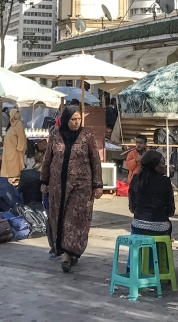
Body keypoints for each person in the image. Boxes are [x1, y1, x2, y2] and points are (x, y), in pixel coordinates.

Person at [40, 105, 103, 273]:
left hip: (81, 186)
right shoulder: (55, 135)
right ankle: (67, 251)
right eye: (73, 119)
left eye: (78, 119)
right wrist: (44, 180)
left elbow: (95, 160)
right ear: (66, 119)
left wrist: (98, 185)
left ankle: (69, 254)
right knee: (60, 217)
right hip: (57, 186)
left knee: (75, 219)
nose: (76, 123)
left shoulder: (87, 136)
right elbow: (48, 158)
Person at [128, 150, 176, 236]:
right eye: (163, 163)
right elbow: (170, 211)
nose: (165, 166)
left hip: (138, 226)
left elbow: (132, 208)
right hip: (160, 227)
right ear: (155, 166)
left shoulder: (135, 179)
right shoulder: (165, 181)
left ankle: (138, 249)